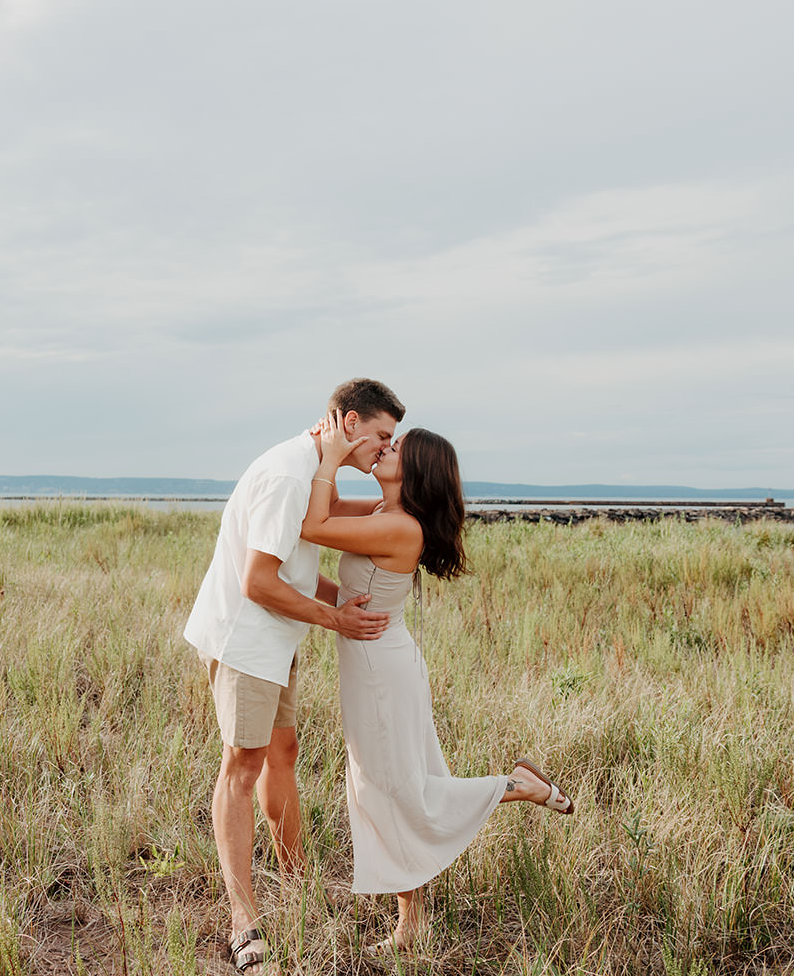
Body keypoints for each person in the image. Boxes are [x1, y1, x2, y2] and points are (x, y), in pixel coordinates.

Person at [299, 411, 575, 952]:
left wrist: (332, 456)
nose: (383, 448)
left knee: (397, 791)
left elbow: (312, 526)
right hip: (377, 664)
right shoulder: (381, 511)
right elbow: (322, 505)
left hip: (382, 672)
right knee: (391, 787)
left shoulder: (401, 527)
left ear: (416, 470)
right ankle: (412, 922)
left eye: (395, 446)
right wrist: (329, 455)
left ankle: (517, 787)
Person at [183, 379, 407, 974]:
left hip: (277, 636)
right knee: (242, 766)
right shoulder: (289, 474)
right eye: (382, 436)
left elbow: (308, 545)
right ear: (350, 422)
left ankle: (297, 883)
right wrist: (336, 617)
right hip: (246, 638)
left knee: (282, 753)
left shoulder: (314, 468)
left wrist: (342, 596)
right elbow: (258, 581)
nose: (385, 448)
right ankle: (243, 919)